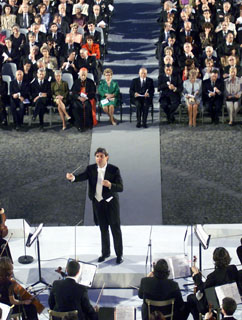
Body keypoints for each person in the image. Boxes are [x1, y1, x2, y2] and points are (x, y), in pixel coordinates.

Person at [66, 147, 124, 264]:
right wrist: (73, 178)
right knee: (103, 229)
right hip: (98, 203)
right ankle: (105, 253)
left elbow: (121, 187)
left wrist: (110, 185)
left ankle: (119, 254)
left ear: (106, 157)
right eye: (97, 156)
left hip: (111, 204)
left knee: (115, 229)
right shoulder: (91, 168)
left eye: (101, 156)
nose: (99, 159)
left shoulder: (114, 170)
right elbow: (82, 176)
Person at [187, 247, 242, 320]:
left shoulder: (212, 276)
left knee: (190, 298)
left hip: (216, 303)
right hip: (231, 299)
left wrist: (196, 275)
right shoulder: (233, 268)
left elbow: (202, 288)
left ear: (215, 260)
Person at [71, 67, 95, 131]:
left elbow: (93, 92)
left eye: (84, 75)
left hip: (87, 99)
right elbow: (73, 92)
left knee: (87, 106)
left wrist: (86, 97)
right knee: (76, 106)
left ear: (86, 75)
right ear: (79, 75)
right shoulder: (76, 81)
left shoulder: (91, 82)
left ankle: (88, 124)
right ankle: (79, 125)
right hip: (78, 99)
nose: (83, 76)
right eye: (82, 75)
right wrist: (79, 97)